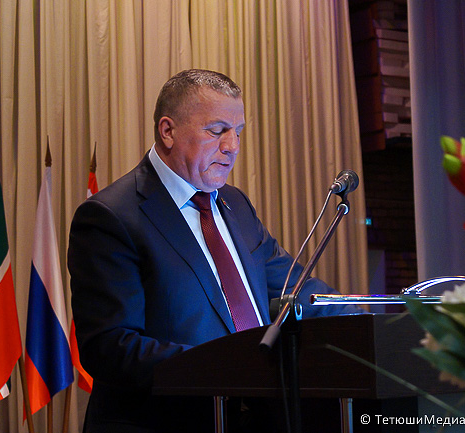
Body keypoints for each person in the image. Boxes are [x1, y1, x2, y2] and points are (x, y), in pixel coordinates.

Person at [68, 69, 363, 433]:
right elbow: (111, 346)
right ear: (168, 130)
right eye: (217, 130)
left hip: (255, 419)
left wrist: (372, 325)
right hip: (166, 423)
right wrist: (226, 367)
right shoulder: (111, 216)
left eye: (238, 132)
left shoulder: (235, 204)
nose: (232, 146)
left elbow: (296, 288)